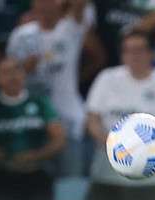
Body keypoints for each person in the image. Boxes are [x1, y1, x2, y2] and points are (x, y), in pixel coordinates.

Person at [84, 31, 155, 200]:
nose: (134, 56)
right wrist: (110, 141)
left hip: (147, 177)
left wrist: (147, 143)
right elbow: (92, 119)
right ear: (122, 55)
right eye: (128, 51)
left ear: (150, 53)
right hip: (105, 174)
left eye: (139, 50)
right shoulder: (107, 79)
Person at [6, 0, 96, 177]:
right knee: (31, 181)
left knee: (70, 182)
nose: (45, 5)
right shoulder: (21, 35)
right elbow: (7, 75)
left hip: (68, 119)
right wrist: (24, 69)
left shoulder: (71, 29)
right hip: (32, 122)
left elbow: (79, 5)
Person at [0, 56, 66, 200]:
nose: (13, 76)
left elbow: (59, 139)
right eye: (6, 72)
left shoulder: (40, 102)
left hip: (34, 173)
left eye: (17, 70)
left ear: (24, 75)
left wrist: (37, 155)